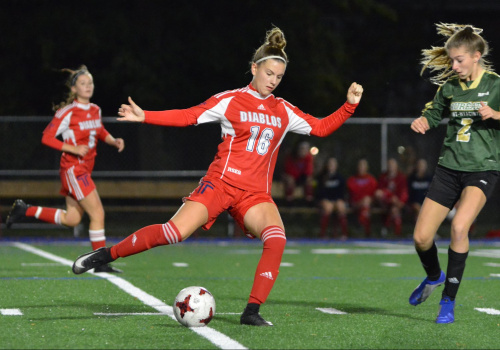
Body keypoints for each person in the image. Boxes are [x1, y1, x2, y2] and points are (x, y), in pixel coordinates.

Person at [70, 27, 363, 326]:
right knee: (174, 232)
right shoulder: (230, 100)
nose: (273, 81)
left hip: (255, 196)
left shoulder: (284, 109)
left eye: (279, 77)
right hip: (219, 185)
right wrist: (147, 116)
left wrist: (349, 105)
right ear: (254, 68)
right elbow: (189, 115)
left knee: (276, 239)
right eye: (269, 74)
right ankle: (107, 254)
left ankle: (251, 312)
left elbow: (322, 128)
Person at [408, 23, 500, 324]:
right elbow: (433, 113)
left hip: (482, 169)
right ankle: (434, 277)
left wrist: (496, 115)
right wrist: (424, 121)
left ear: (476, 55)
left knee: (459, 228)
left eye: (460, 60)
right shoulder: (448, 88)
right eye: (452, 60)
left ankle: (448, 300)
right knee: (421, 238)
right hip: (449, 169)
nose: (455, 65)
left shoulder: (495, 84)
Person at [6, 65, 125, 273]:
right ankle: (100, 262)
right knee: (97, 213)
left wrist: (113, 141)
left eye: (90, 83)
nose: (88, 86)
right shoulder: (67, 112)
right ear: (73, 89)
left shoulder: (95, 109)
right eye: (82, 83)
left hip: (83, 170)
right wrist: (73, 148)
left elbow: (99, 130)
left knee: (73, 219)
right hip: (73, 169)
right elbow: (46, 137)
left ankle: (25, 210)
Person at [374, 157, 408, 237]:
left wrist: (400, 202)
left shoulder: (401, 177)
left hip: (398, 204)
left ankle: (396, 236)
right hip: (385, 203)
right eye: (389, 165)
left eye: (392, 165)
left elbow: (404, 193)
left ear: (396, 166)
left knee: (395, 210)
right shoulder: (383, 177)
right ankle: (387, 229)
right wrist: (390, 197)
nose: (391, 167)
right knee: (379, 194)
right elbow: (379, 191)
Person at [315, 157, 347, 239]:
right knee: (328, 207)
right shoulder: (322, 177)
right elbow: (319, 192)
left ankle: (343, 234)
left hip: (336, 200)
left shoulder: (340, 177)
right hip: (325, 200)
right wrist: (325, 200)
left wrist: (337, 201)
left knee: (341, 206)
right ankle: (323, 234)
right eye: (330, 164)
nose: (331, 166)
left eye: (333, 164)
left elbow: (342, 192)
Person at [346, 158, 378, 237]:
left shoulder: (371, 180)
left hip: (367, 205)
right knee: (365, 203)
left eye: (363, 166)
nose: (361, 168)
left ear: (367, 168)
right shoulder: (352, 180)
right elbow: (352, 194)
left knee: (366, 203)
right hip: (355, 204)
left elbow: (373, 195)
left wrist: (367, 200)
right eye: (360, 166)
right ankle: (364, 231)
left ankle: (362, 229)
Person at [282, 141, 315, 205]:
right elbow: (289, 171)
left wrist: (304, 177)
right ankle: (289, 201)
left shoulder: (309, 158)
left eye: (306, 149)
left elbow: (309, 171)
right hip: (292, 177)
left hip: (302, 177)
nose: (303, 151)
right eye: (302, 148)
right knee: (290, 179)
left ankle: (308, 201)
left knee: (309, 180)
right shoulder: (291, 157)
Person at [407, 158, 432, 223]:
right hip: (414, 203)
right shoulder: (412, 178)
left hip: (426, 203)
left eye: (423, 166)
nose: (421, 167)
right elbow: (409, 192)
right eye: (420, 165)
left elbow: (431, 192)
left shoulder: (429, 178)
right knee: (418, 208)